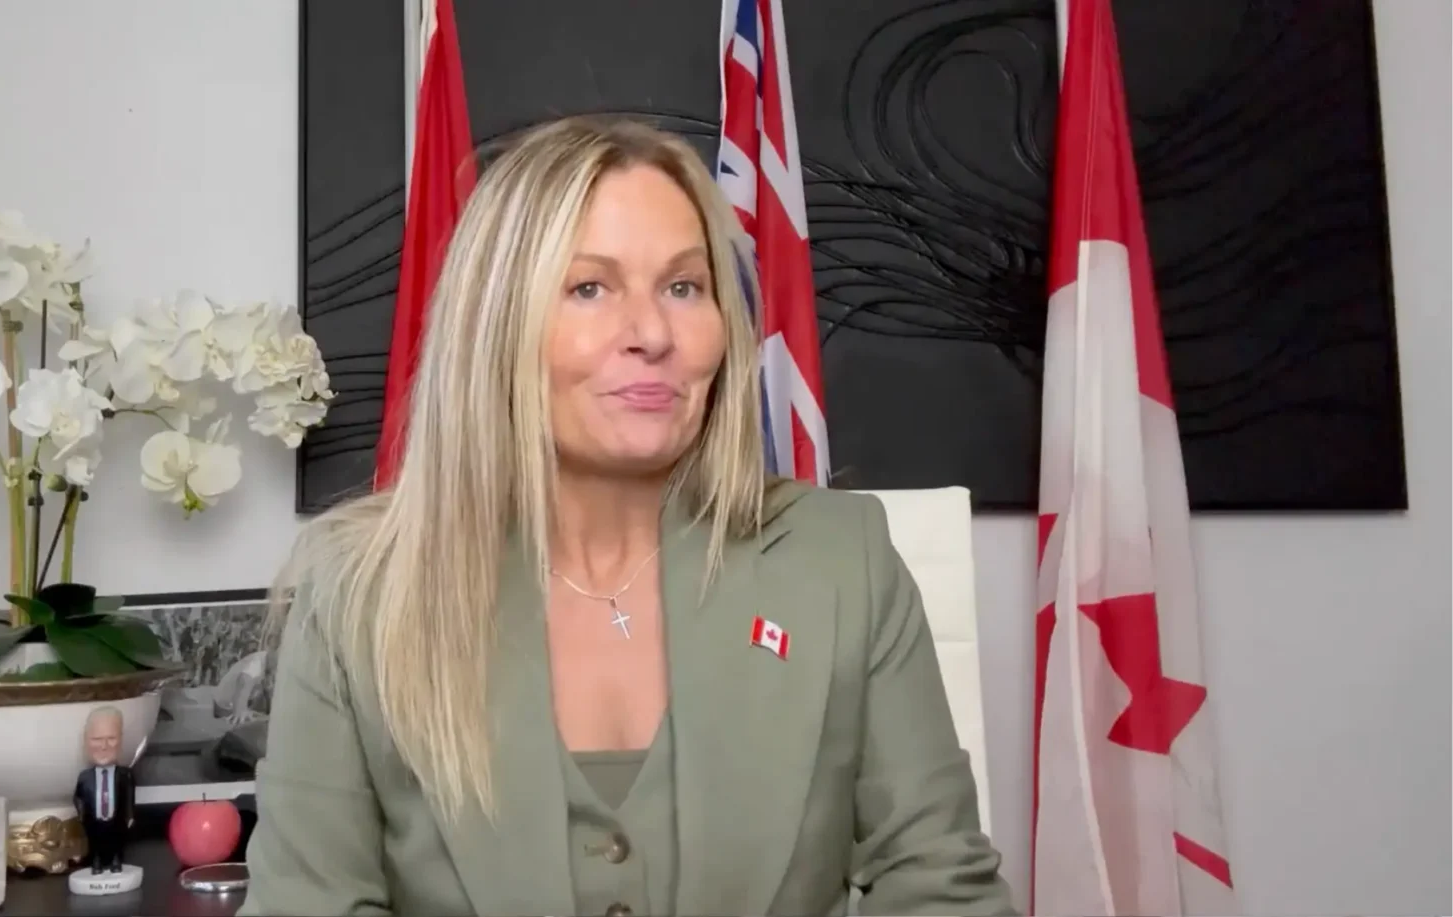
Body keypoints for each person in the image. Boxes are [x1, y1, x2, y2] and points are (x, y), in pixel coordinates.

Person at [243, 116, 1016, 916]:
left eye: (684, 287)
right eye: (589, 288)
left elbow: (942, 889)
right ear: (497, 324)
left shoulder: (842, 563)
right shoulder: (358, 594)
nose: (652, 334)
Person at [73, 705, 135, 873]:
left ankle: (116, 862)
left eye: (111, 738)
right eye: (97, 739)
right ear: (86, 741)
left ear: (121, 740)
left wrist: (129, 815)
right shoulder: (85, 777)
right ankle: (96, 862)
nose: (104, 746)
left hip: (117, 819)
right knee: (95, 842)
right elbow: (78, 796)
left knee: (117, 841)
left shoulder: (125, 775)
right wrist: (81, 814)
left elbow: (129, 796)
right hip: (93, 819)